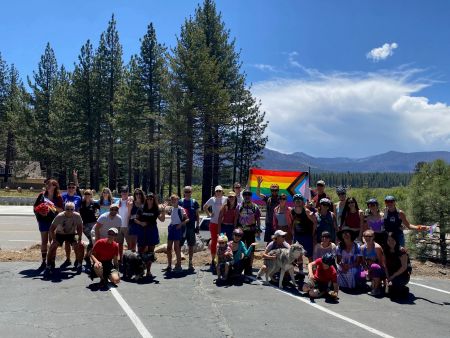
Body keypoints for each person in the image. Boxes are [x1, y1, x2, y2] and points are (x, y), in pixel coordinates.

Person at [45, 202, 85, 275]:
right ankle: (48, 265)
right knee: (52, 246)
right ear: (64, 209)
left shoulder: (77, 216)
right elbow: (51, 229)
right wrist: (54, 240)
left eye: (71, 209)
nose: (69, 211)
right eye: (67, 209)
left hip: (72, 234)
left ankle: (79, 264)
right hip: (60, 234)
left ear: (74, 209)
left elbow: (80, 228)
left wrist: (79, 239)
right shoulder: (59, 216)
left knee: (81, 245)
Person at [33, 179, 64, 270]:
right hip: (42, 221)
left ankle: (52, 260)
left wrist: (51, 205)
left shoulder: (58, 197)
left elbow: (62, 210)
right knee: (44, 241)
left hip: (53, 222)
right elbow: (35, 207)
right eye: (47, 184)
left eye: (49, 184)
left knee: (53, 242)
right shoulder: (42, 195)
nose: (48, 186)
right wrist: (40, 211)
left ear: (54, 186)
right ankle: (43, 261)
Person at [134, 193, 165, 277]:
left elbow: (162, 220)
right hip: (142, 231)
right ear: (146, 199)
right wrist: (141, 223)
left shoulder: (156, 209)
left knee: (150, 252)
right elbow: (135, 219)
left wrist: (163, 211)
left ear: (153, 199)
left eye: (151, 198)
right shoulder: (141, 208)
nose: (149, 200)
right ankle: (140, 271)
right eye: (148, 198)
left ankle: (148, 271)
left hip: (152, 231)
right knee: (141, 251)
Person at [235, 189, 261, 276]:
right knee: (240, 249)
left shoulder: (255, 207)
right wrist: (235, 228)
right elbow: (236, 217)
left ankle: (249, 267)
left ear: (251, 196)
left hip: (251, 231)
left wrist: (258, 228)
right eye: (245, 194)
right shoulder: (239, 206)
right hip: (241, 231)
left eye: (248, 195)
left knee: (251, 250)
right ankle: (239, 265)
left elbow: (258, 218)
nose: (247, 196)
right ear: (243, 196)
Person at [203, 186, 227, 268]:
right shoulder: (212, 199)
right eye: (217, 191)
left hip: (223, 224)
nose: (218, 192)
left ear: (222, 191)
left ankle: (222, 259)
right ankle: (213, 260)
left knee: (223, 241)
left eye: (220, 191)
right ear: (215, 192)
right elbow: (204, 207)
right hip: (213, 223)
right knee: (214, 242)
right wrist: (209, 214)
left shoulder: (226, 199)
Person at [61, 181, 83, 268]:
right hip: (65, 221)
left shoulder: (78, 197)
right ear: (67, 188)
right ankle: (68, 259)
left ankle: (77, 259)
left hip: (75, 221)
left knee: (76, 242)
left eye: (73, 187)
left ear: (75, 189)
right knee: (67, 241)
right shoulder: (63, 196)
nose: (71, 189)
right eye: (69, 187)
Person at [164, 194, 189, 273]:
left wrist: (180, 225)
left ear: (178, 200)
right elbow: (165, 212)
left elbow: (187, 219)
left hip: (177, 229)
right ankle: (169, 265)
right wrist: (164, 207)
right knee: (168, 247)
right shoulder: (171, 209)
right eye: (172, 200)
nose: (173, 201)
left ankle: (179, 265)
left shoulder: (180, 209)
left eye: (175, 200)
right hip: (171, 228)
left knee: (176, 248)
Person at [384, 232, 412, 299]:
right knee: (386, 293)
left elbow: (404, 267)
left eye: (392, 240)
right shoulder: (386, 250)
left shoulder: (401, 251)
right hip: (390, 273)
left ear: (396, 240)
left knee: (395, 295)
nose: (390, 242)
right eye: (389, 240)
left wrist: (392, 277)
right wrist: (387, 277)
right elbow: (384, 264)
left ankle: (404, 289)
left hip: (402, 274)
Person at [179, 186, 200, 271]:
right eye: (186, 191)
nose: (187, 193)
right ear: (184, 192)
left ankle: (190, 262)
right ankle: (178, 262)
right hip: (181, 227)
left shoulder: (194, 202)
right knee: (179, 245)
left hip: (191, 227)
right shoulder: (180, 202)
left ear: (191, 192)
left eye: (189, 191)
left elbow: (197, 215)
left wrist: (198, 225)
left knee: (191, 245)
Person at [290, 194, 317, 260]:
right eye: (296, 200)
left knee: (309, 255)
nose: (298, 201)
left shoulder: (307, 211)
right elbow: (293, 221)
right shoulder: (292, 211)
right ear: (293, 201)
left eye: (299, 200)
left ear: (302, 201)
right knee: (298, 254)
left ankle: (311, 269)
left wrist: (313, 234)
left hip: (307, 235)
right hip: (297, 235)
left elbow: (315, 222)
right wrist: (293, 231)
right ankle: (301, 269)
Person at [361, 230, 386, 296]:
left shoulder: (377, 247)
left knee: (375, 266)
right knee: (360, 275)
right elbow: (363, 262)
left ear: (373, 237)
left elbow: (381, 263)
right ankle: (370, 285)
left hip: (379, 270)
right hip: (369, 269)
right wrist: (366, 269)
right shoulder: (362, 248)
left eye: (370, 236)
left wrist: (370, 270)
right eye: (365, 236)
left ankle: (376, 289)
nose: (367, 238)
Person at [79, 189, 100, 268]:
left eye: (89, 194)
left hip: (93, 224)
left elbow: (101, 210)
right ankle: (87, 256)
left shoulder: (94, 204)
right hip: (84, 225)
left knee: (92, 241)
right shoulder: (82, 203)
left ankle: (87, 256)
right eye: (86, 194)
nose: (87, 195)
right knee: (91, 240)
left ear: (91, 195)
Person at [256, 176, 280, 243]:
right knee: (269, 241)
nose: (274, 192)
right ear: (270, 190)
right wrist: (258, 184)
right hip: (269, 222)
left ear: (278, 190)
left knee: (278, 240)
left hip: (278, 223)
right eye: (272, 190)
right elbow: (258, 194)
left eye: (275, 190)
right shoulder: (268, 198)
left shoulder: (281, 198)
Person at [117, 186, 133, 261]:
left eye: (125, 191)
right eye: (123, 191)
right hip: (119, 226)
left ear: (128, 193)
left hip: (127, 226)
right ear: (121, 193)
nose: (124, 193)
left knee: (129, 244)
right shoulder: (118, 201)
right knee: (120, 244)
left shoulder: (130, 200)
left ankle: (128, 258)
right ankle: (121, 259)